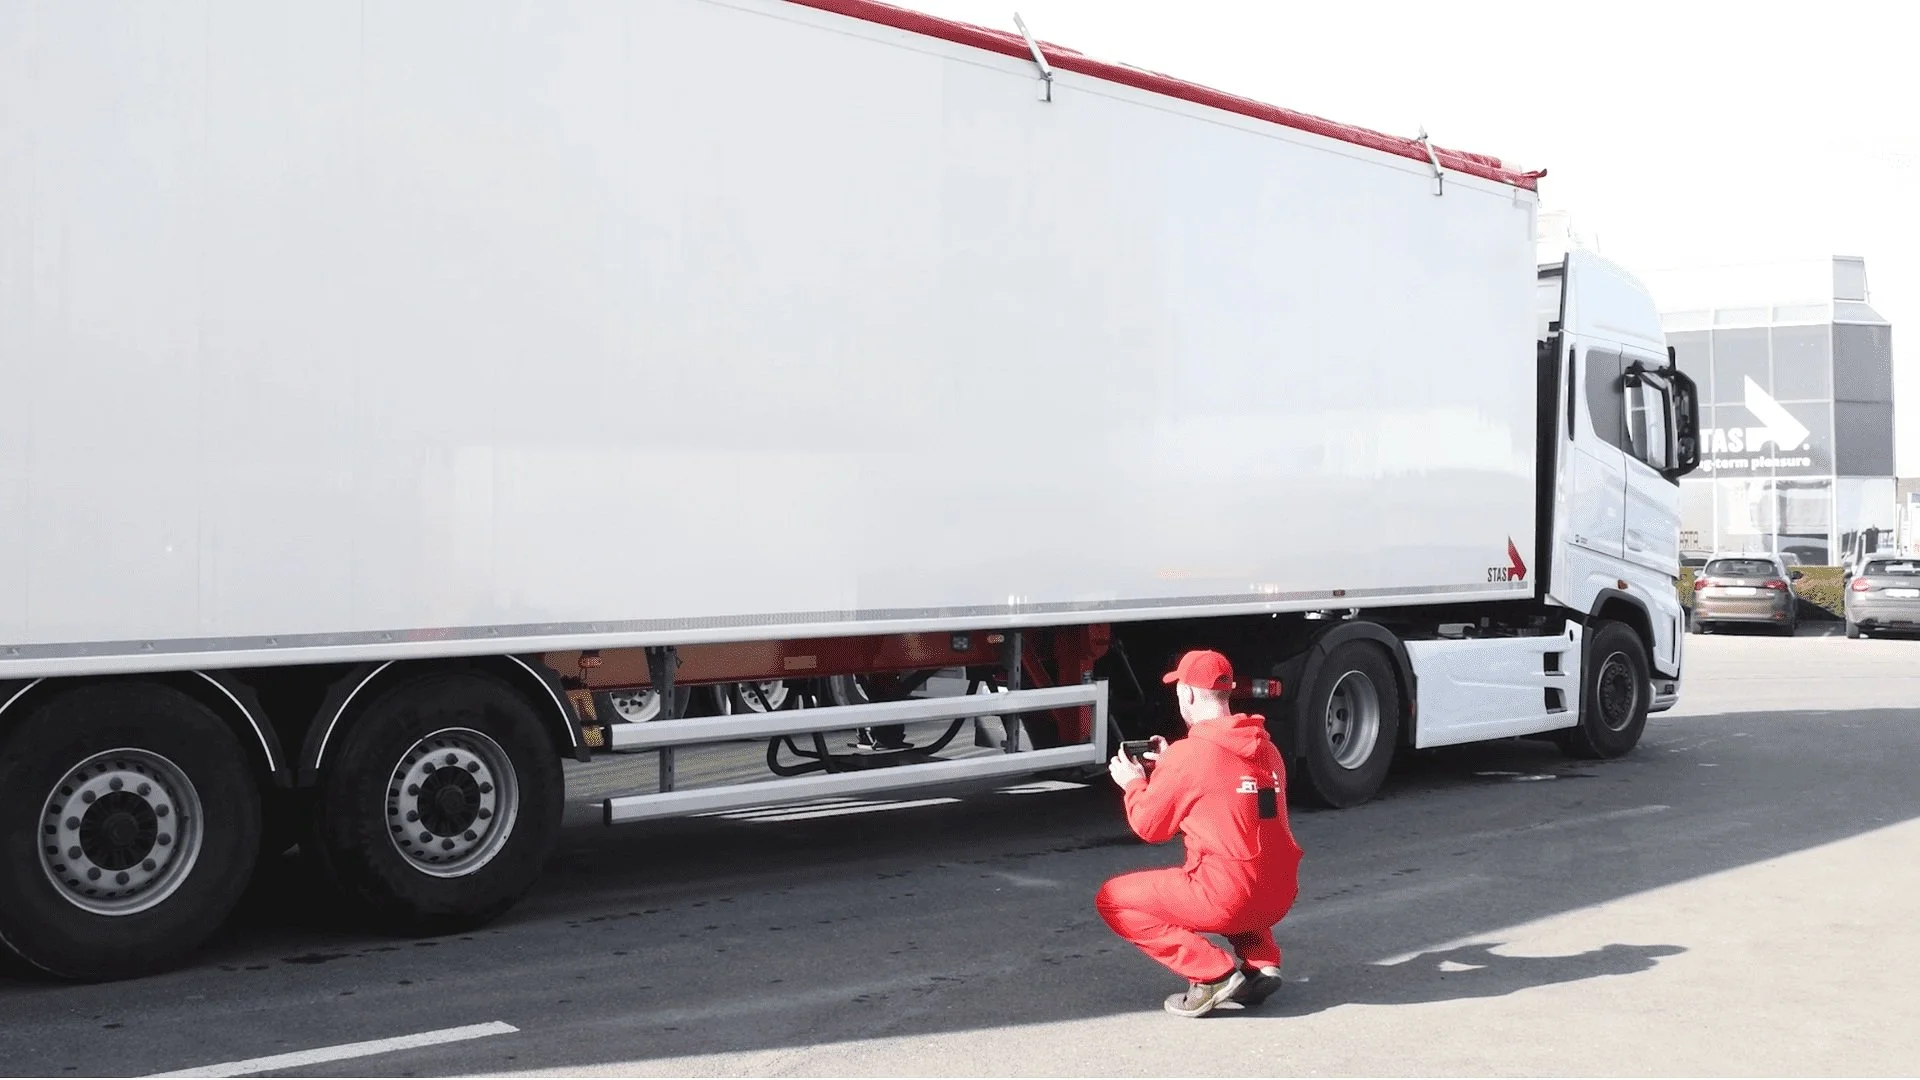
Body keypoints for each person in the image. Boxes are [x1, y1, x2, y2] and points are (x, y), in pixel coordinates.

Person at [1096, 649, 1304, 1017]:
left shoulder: (1190, 756)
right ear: (1228, 692)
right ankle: (1261, 962)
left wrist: (1133, 784)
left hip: (1229, 897)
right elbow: (1222, 787)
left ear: (1187, 694)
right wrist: (1170, 765)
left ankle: (1212, 975)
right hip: (1278, 892)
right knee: (1240, 860)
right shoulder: (1266, 748)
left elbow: (1149, 827)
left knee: (1113, 899)